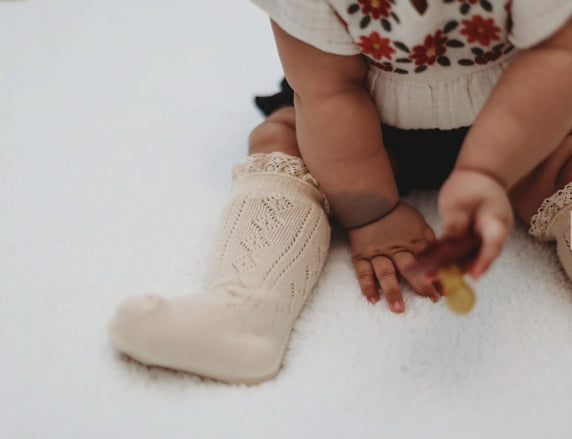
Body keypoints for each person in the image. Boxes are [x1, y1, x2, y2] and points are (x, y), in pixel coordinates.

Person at [108, 0, 572, 384]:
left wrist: (489, 169)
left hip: (521, 111)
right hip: (361, 118)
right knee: (284, 140)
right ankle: (245, 307)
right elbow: (327, 91)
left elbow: (557, 56)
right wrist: (371, 213)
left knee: (564, 163)